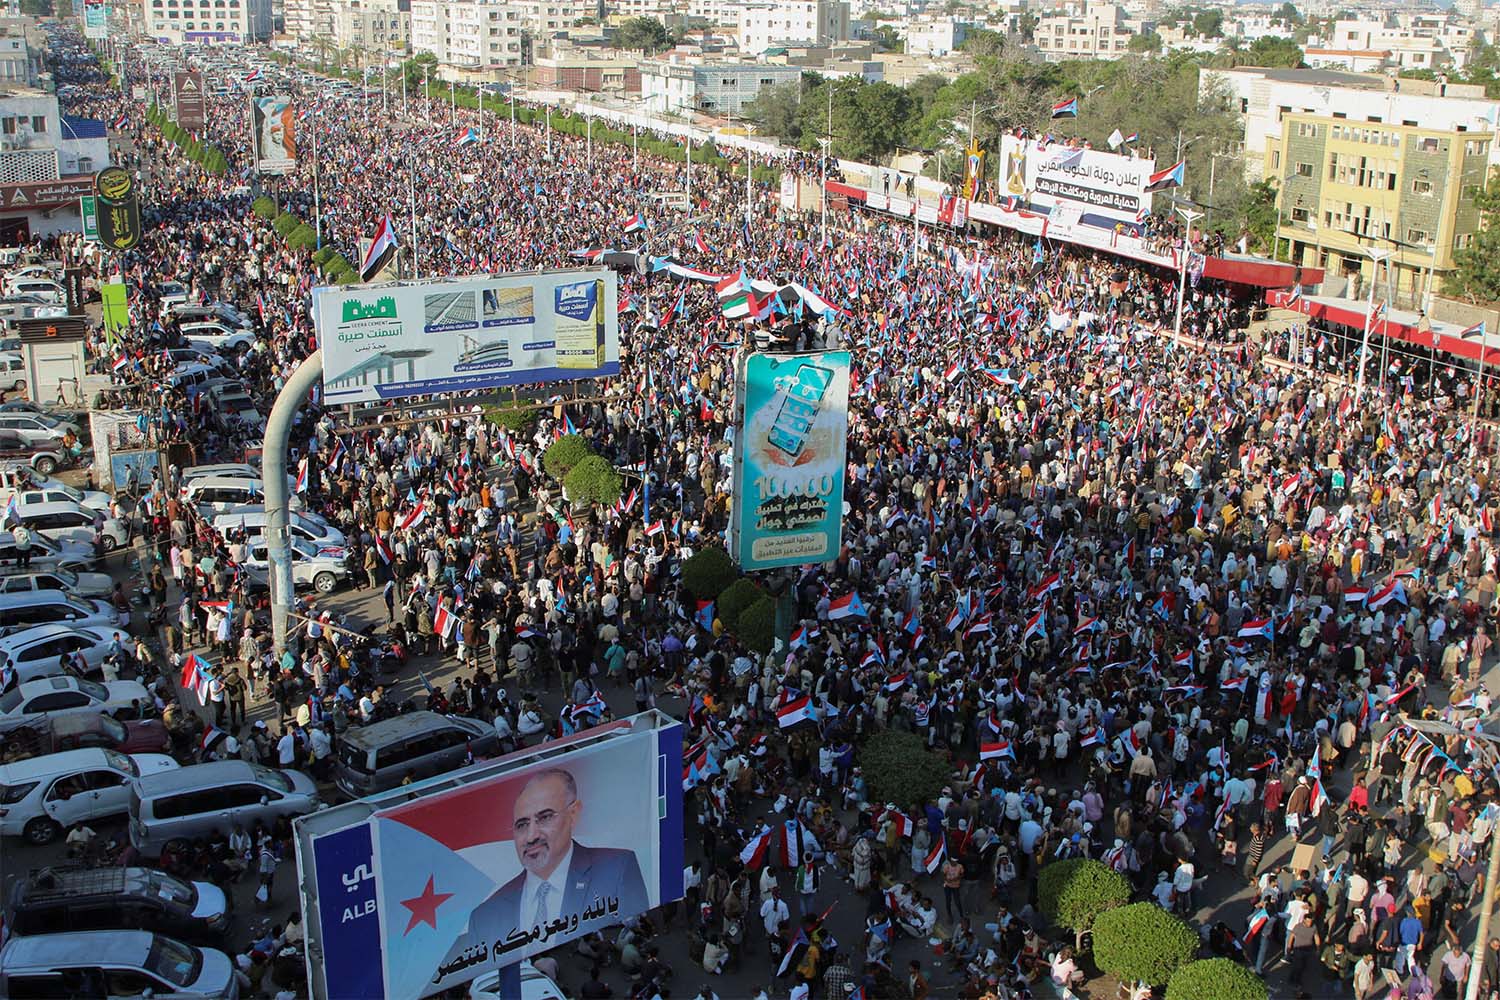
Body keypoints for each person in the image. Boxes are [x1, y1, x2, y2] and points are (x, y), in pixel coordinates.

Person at [451, 768, 648, 957]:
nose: (531, 836)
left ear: (573, 814)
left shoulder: (617, 868)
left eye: (545, 817)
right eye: (522, 825)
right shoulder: (485, 916)